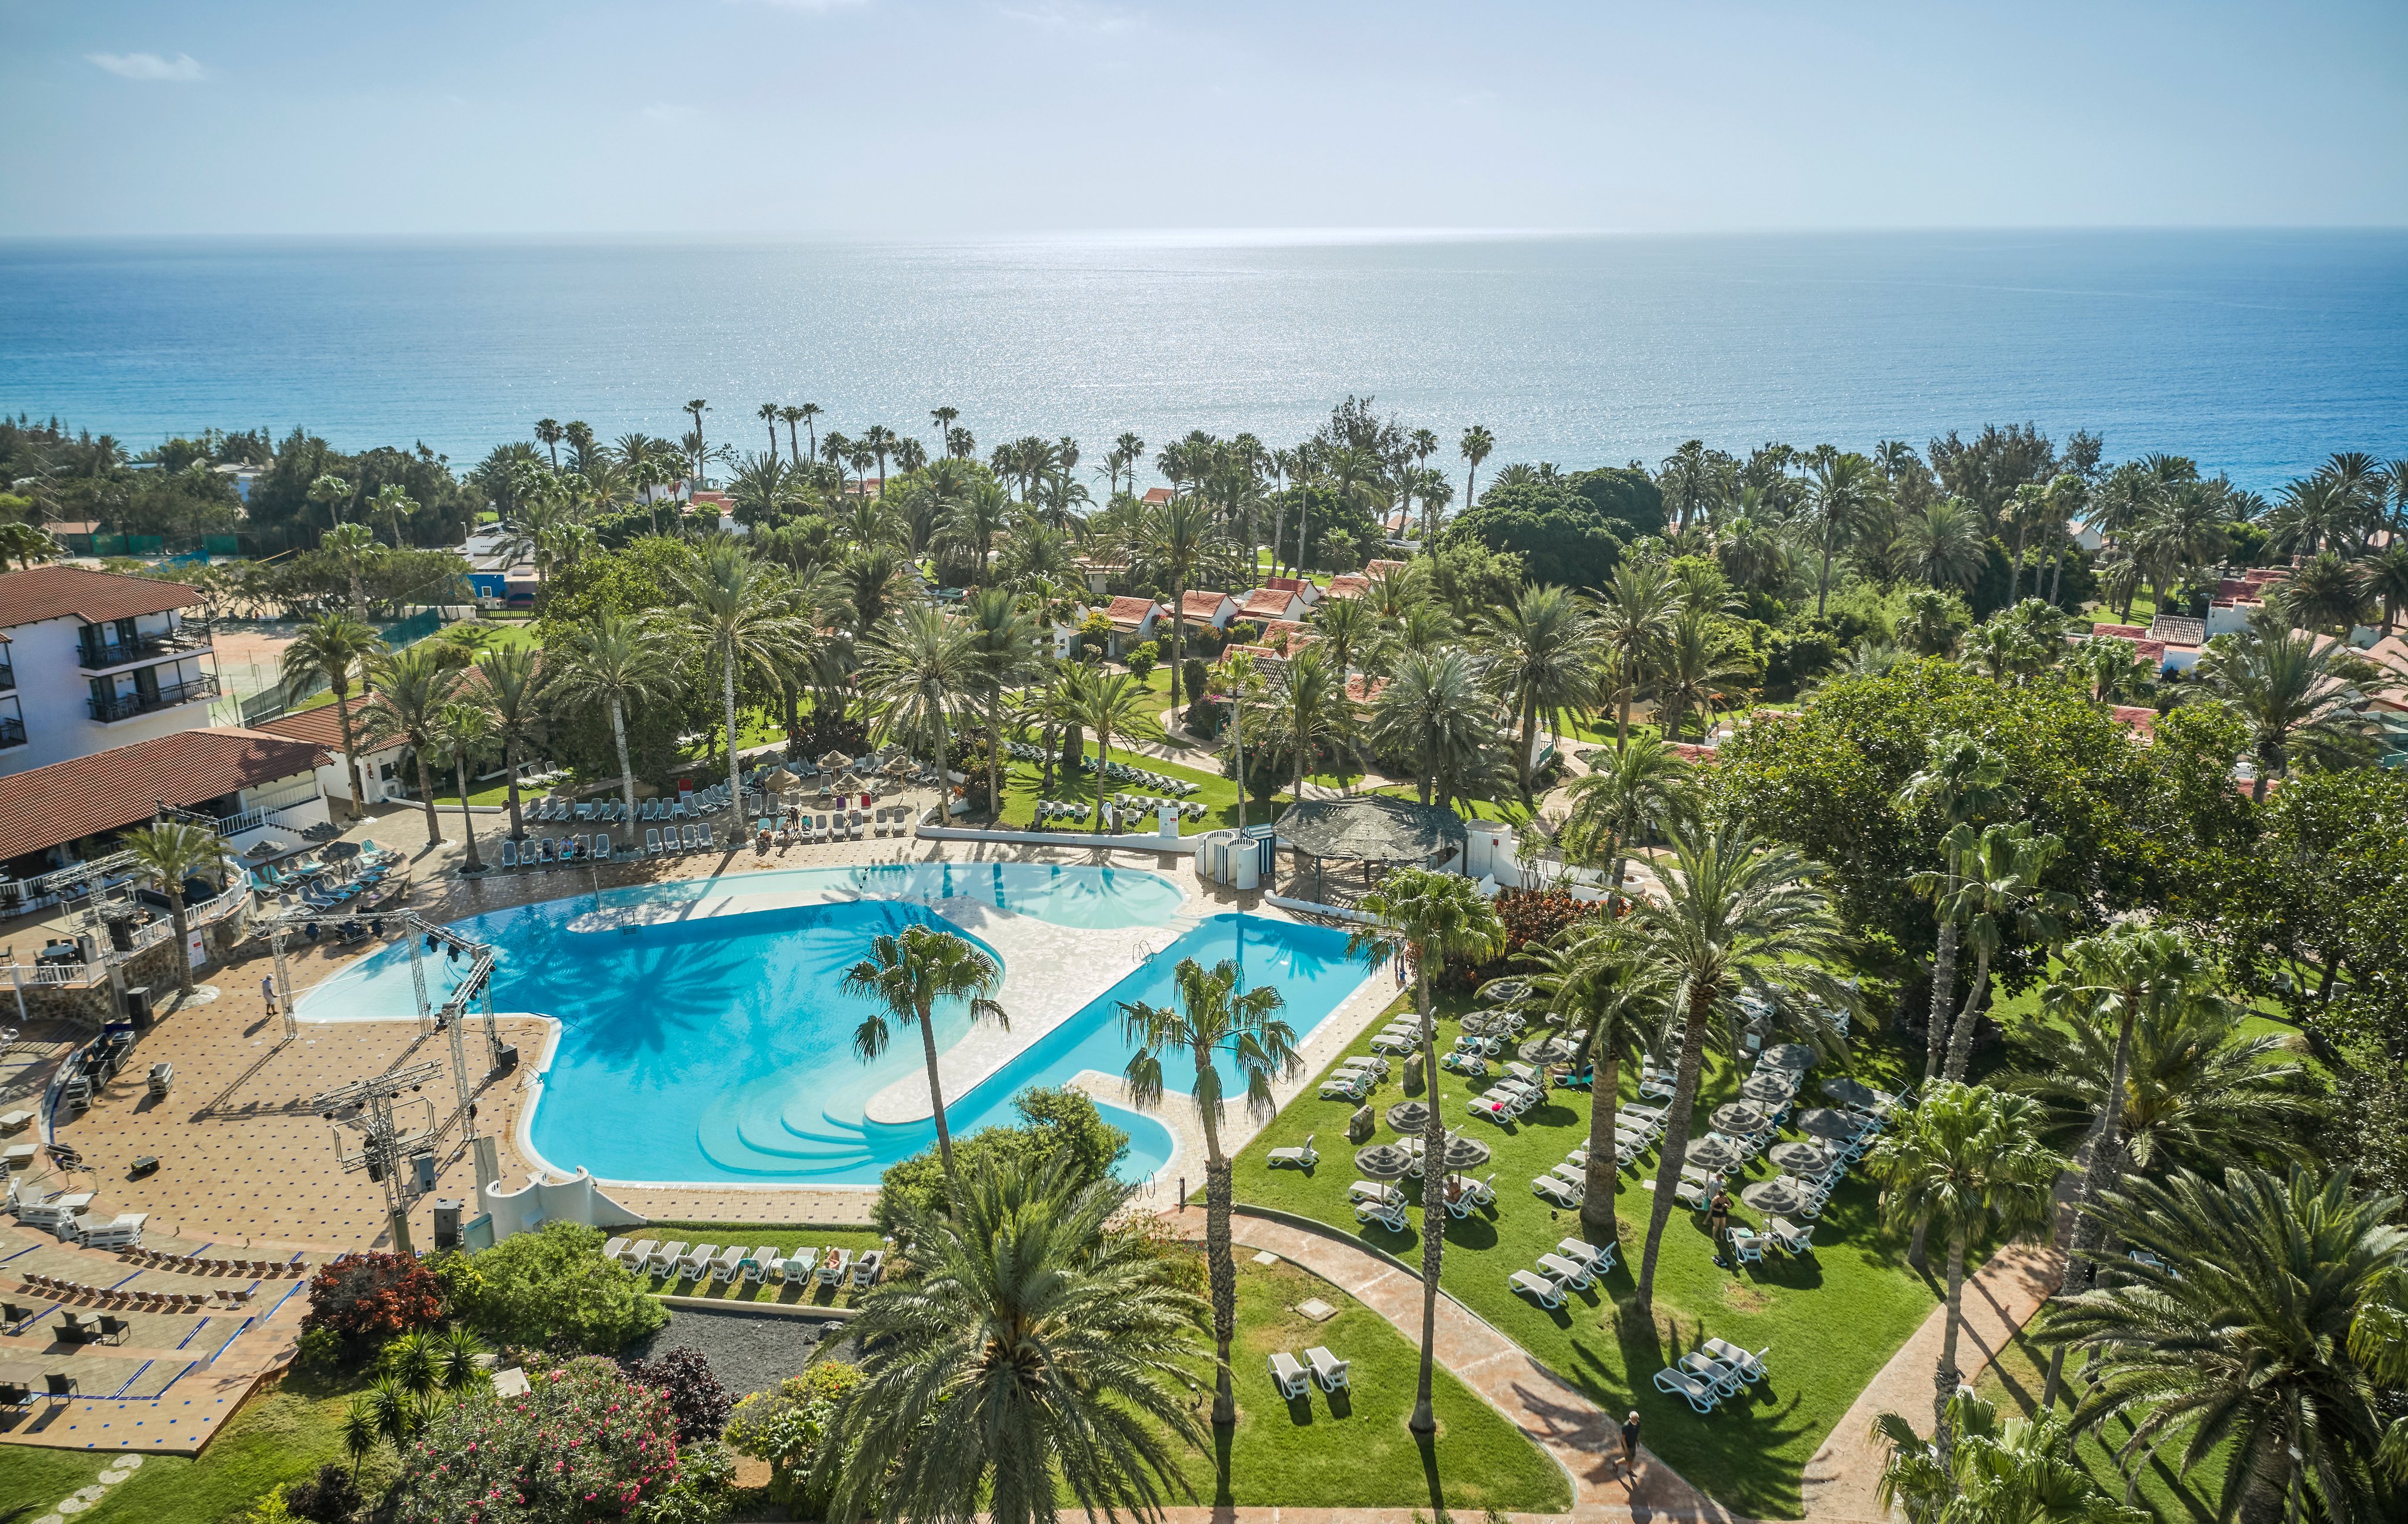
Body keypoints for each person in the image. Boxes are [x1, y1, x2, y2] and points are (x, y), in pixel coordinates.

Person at [1707, 1188, 1734, 1267]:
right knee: (1716, 1225)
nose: (1722, 1196)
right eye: (1721, 1195)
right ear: (1719, 1194)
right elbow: (1712, 1207)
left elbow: (1730, 1205)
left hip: (1723, 1213)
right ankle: (1714, 1236)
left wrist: (1726, 1205)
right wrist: (1718, 1209)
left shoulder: (1725, 1198)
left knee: (1723, 1224)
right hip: (1716, 1213)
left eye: (1723, 1195)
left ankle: (1722, 1234)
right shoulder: (1715, 1199)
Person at [1616, 1409, 1642, 1477]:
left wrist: (1637, 1441)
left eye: (1637, 1419)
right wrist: (1626, 1448)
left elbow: (1636, 1433)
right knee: (1628, 1459)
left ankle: (1629, 1470)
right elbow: (1623, 1439)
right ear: (1630, 1418)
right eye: (1634, 1419)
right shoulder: (1626, 1426)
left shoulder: (1638, 1424)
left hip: (1633, 1443)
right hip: (1627, 1444)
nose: (1636, 1420)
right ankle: (1616, 1463)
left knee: (1632, 1457)